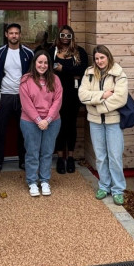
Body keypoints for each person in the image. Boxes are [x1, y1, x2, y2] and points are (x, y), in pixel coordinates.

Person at [78, 45, 128, 205]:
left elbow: (120, 98)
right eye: (97, 58)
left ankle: (118, 189)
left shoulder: (118, 74)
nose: (99, 61)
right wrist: (103, 95)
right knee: (100, 157)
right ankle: (104, 186)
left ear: (108, 57)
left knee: (115, 156)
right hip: (95, 122)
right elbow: (82, 95)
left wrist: (97, 104)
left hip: (113, 122)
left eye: (102, 57)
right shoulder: (89, 73)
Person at [0, 23, 34, 175]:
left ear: (20, 35)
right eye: (11, 33)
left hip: (23, 97)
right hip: (5, 96)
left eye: (16, 33)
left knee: (24, 130)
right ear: (6, 35)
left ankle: (23, 160)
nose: (14, 35)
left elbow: (35, 74)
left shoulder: (29, 53)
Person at [19, 50, 62, 196]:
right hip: (30, 122)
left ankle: (44, 181)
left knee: (47, 152)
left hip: (52, 122)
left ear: (49, 64)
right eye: (40, 62)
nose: (42, 65)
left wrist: (48, 120)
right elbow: (26, 104)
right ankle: (32, 182)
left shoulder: (55, 79)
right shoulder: (26, 80)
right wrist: (39, 120)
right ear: (34, 63)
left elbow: (57, 101)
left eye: (45, 63)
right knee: (32, 152)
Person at [49, 25, 88, 174]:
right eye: (63, 35)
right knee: (58, 124)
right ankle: (60, 157)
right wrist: (72, 73)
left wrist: (62, 69)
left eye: (68, 35)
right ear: (58, 36)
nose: (65, 38)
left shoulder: (79, 52)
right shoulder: (52, 51)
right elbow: (47, 69)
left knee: (71, 125)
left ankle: (70, 157)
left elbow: (83, 70)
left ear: (72, 37)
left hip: (73, 94)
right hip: (55, 93)